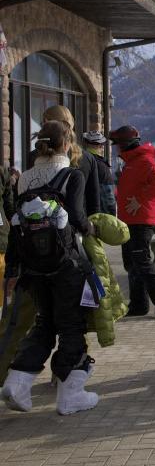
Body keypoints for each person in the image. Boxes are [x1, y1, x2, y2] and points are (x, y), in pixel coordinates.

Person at [0, 120, 98, 415]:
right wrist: (91, 228)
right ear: (66, 144)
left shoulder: (25, 178)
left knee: (44, 324)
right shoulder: (72, 175)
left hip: (34, 267)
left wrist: (13, 270)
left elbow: (18, 224)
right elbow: (79, 218)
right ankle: (71, 394)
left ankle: (17, 382)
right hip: (66, 264)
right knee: (71, 326)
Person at [110, 125, 155, 317]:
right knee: (131, 263)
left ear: (126, 144)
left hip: (141, 219)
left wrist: (139, 199)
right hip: (129, 219)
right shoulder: (131, 162)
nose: (116, 148)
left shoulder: (144, 160)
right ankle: (139, 305)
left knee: (141, 260)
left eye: (118, 144)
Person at [28, 106, 100, 217]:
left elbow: (28, 195)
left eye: (43, 123)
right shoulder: (88, 158)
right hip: (78, 224)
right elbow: (93, 201)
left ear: (48, 124)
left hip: (42, 223)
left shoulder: (35, 156)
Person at [81, 131, 116, 216]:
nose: (102, 147)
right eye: (102, 145)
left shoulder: (82, 160)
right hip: (100, 213)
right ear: (100, 145)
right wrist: (112, 214)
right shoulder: (101, 165)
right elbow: (108, 196)